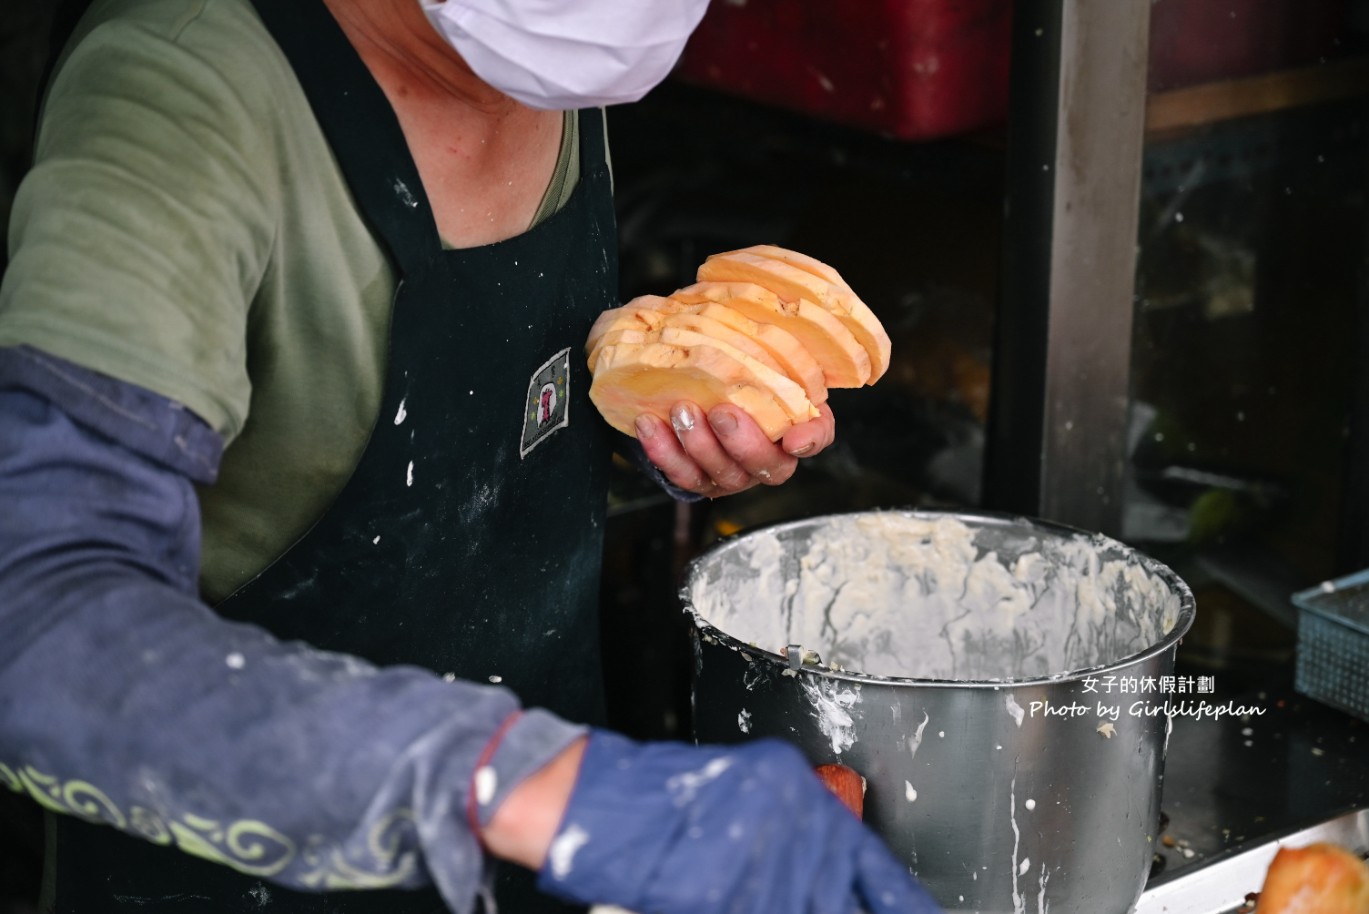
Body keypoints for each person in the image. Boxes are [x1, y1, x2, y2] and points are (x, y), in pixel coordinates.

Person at [0, 1, 943, 913]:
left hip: (543, 853)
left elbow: (458, 450)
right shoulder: (180, 91)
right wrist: (544, 791)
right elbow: (36, 625)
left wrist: (658, 432)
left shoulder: (544, 53)